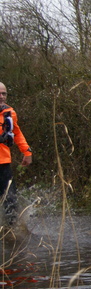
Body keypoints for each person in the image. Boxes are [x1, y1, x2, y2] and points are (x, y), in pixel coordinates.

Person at [0, 82, 32, 227]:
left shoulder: (10, 113)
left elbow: (16, 133)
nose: (1, 97)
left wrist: (26, 151)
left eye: (4, 93)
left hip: (3, 163)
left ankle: (11, 231)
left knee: (10, 200)